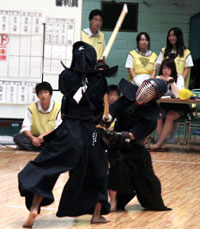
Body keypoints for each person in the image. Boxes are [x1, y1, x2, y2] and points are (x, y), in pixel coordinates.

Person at [18, 41, 118, 228]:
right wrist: (98, 73)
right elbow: (99, 112)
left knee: (46, 167)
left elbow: (73, 89)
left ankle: (34, 208)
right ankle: (96, 215)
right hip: (90, 134)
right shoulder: (99, 80)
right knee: (99, 171)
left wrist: (92, 73)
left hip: (68, 132)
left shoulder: (66, 76)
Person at [104, 78, 171, 212]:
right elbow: (114, 108)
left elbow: (133, 135)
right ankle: (114, 201)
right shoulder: (126, 99)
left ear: (154, 97)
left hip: (135, 147)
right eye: (145, 87)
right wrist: (108, 117)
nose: (145, 93)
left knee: (149, 182)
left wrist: (116, 135)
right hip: (116, 146)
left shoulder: (151, 118)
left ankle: (150, 199)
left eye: (150, 92)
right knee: (118, 165)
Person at [150, 59, 190, 151]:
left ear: (173, 69)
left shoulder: (178, 78)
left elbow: (178, 95)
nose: (165, 71)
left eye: (168, 68)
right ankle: (163, 144)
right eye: (164, 68)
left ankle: (158, 144)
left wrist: (171, 81)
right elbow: (153, 93)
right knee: (158, 116)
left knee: (169, 117)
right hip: (165, 105)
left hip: (179, 106)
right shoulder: (159, 78)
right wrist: (157, 81)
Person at [14, 82, 62, 151]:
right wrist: (32, 138)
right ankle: (45, 149)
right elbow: (26, 127)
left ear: (50, 94)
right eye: (40, 93)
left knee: (62, 139)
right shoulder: (31, 108)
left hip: (50, 137)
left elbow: (58, 128)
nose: (43, 95)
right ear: (37, 95)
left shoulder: (58, 108)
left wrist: (44, 136)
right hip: (35, 138)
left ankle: (35, 148)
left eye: (45, 92)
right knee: (17, 138)